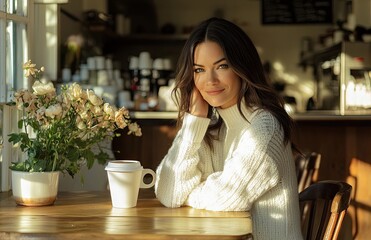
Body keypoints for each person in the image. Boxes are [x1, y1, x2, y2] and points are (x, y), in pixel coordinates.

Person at [154, 17, 303, 240]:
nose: (210, 80)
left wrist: (190, 194)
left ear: (242, 67)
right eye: (199, 70)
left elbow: (228, 197)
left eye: (222, 66)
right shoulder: (213, 128)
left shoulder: (263, 126)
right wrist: (194, 121)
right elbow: (169, 192)